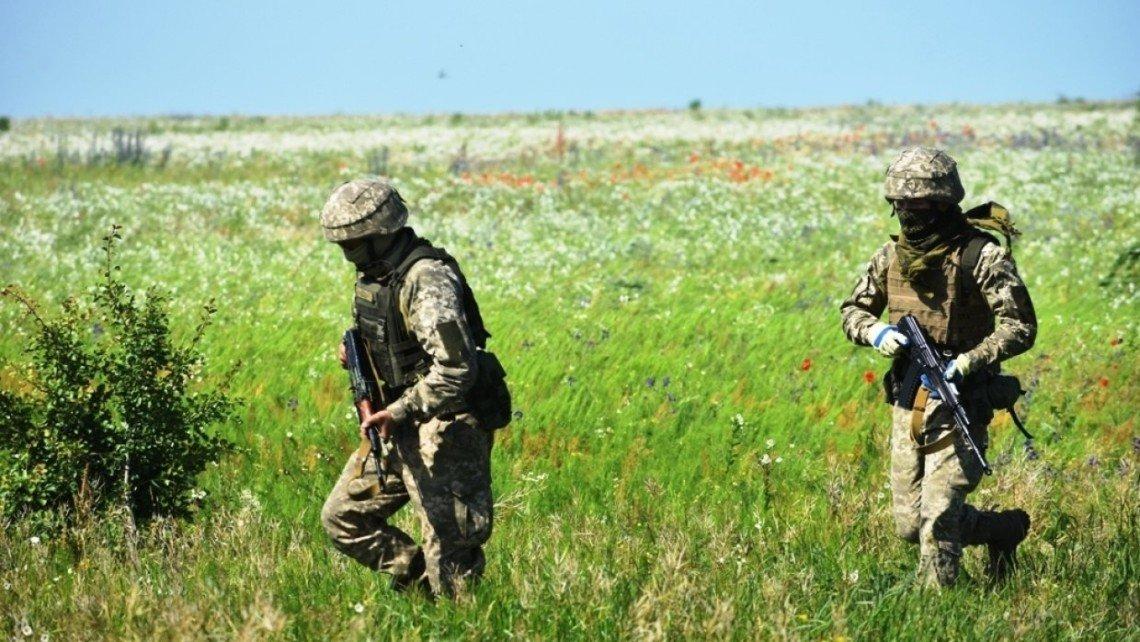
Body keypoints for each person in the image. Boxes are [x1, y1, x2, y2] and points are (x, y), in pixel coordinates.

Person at [840, 147, 1037, 587]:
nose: (909, 213)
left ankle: (939, 613)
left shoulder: (981, 257)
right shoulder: (889, 259)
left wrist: (970, 360)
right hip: (910, 398)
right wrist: (873, 332)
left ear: (944, 202)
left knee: (938, 515)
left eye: (920, 204)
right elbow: (852, 310)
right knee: (909, 524)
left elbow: (1020, 326)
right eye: (901, 204)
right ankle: (1002, 530)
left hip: (962, 398)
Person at [318, 177, 508, 597]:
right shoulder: (379, 278)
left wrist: (400, 411)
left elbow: (457, 369)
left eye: (353, 244)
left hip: (445, 427)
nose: (347, 255)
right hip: (396, 424)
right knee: (343, 518)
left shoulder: (427, 279)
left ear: (379, 235)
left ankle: (460, 616)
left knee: (451, 546)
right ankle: (424, 587)